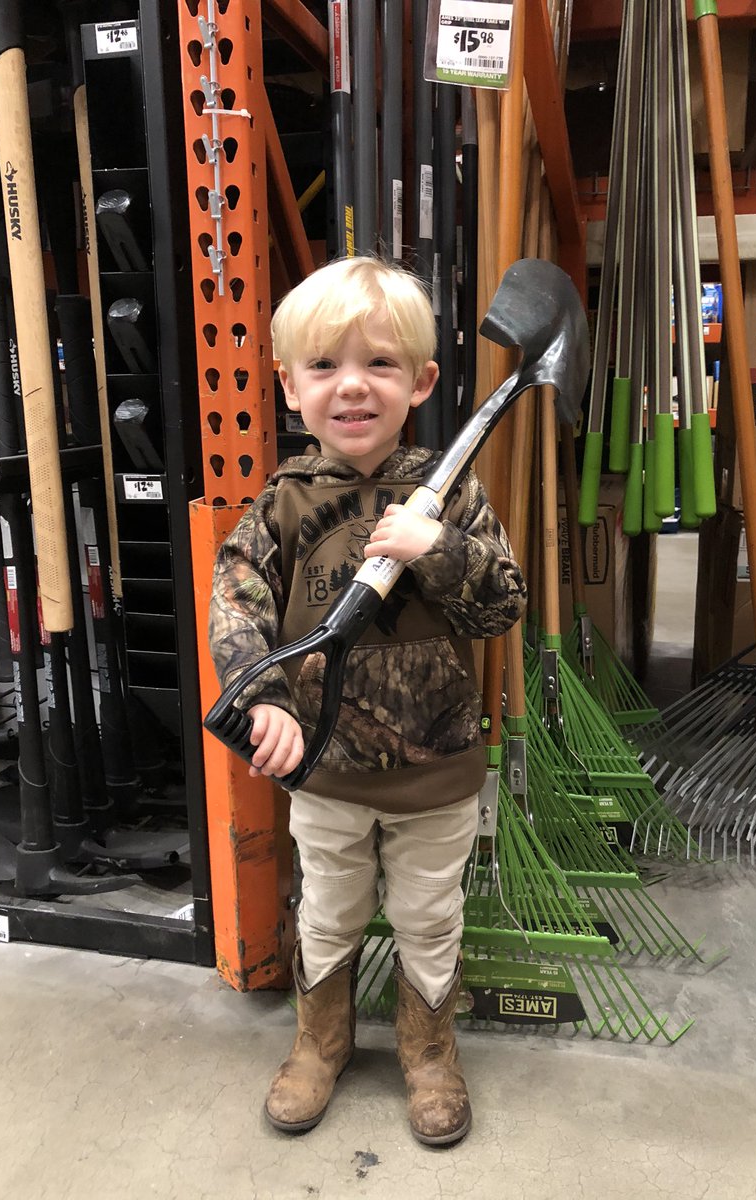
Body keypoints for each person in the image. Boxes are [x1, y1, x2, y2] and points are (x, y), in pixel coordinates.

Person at [209, 255, 526, 1146]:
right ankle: (321, 1044)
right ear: (289, 385)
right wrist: (264, 698)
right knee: (329, 908)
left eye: (380, 365)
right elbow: (237, 603)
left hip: (438, 773)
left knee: (430, 915)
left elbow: (503, 604)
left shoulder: (450, 489)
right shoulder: (282, 501)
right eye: (324, 367)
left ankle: (430, 1054)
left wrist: (440, 547)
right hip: (326, 774)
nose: (352, 387)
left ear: (421, 381)